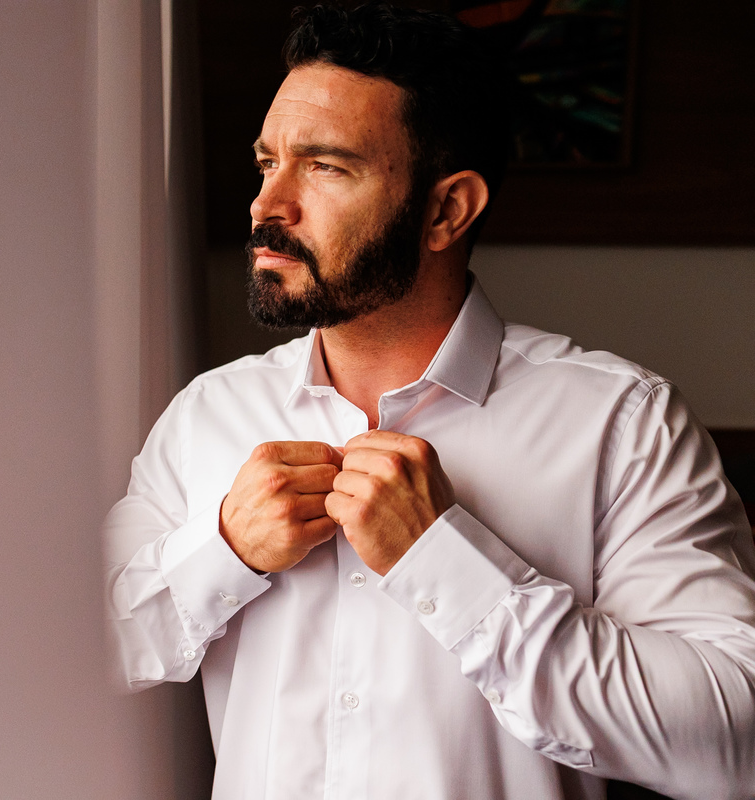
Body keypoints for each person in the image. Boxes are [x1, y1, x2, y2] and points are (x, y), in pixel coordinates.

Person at [102, 3, 755, 798]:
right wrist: (224, 551)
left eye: (325, 167)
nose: (267, 206)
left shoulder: (624, 424)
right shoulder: (206, 416)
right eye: (267, 162)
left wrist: (447, 563)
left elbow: (733, 741)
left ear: (447, 210)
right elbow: (83, 647)